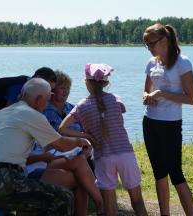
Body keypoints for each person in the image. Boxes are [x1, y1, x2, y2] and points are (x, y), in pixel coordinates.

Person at [0, 78, 93, 215]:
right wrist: (79, 141)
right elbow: (62, 145)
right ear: (39, 99)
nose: (46, 105)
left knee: (35, 198)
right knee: (63, 197)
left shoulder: (3, 113)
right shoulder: (31, 114)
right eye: (46, 101)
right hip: (6, 181)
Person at [59, 63, 148, 216]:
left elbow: (62, 128)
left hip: (103, 157)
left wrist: (86, 135)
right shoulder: (116, 100)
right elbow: (122, 109)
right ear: (106, 83)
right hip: (126, 154)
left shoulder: (81, 106)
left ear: (86, 82)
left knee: (109, 208)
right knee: (138, 201)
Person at [26, 71, 104, 216]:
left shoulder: (72, 109)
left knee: (80, 162)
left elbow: (86, 132)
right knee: (80, 175)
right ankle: (102, 206)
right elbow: (55, 143)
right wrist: (78, 142)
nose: (65, 91)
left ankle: (101, 205)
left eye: (68, 88)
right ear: (52, 91)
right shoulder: (41, 112)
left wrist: (86, 145)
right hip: (48, 158)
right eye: (62, 87)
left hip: (64, 155)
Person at [142, 23, 193, 216]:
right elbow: (146, 90)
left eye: (151, 43)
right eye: (145, 44)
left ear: (164, 41)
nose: (148, 47)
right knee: (159, 173)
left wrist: (162, 93)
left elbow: (191, 98)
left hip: (171, 124)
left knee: (176, 174)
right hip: (150, 122)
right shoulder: (151, 63)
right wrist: (147, 97)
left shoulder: (183, 63)